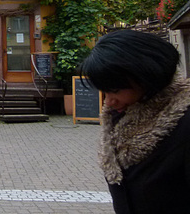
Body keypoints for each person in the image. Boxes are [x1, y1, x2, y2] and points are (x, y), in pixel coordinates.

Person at [79, 30, 190, 213]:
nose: (108, 101)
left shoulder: (183, 123)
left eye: (115, 90)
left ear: (146, 76)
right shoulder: (119, 119)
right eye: (103, 91)